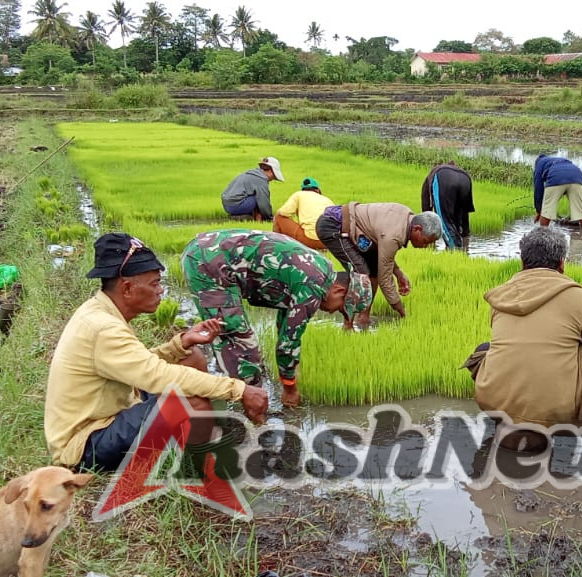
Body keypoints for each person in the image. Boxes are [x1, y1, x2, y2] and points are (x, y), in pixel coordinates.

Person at [44, 233, 269, 476]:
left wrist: (180, 343)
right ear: (127, 288)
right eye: (154, 284)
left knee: (191, 358)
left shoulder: (101, 311)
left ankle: (199, 442)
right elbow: (157, 375)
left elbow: (138, 365)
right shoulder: (103, 328)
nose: (161, 290)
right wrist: (240, 390)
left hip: (111, 413)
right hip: (86, 446)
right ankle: (203, 474)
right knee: (190, 402)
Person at [465, 227, 582, 430]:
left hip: (493, 401)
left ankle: (507, 420)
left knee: (483, 350)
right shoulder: (579, 298)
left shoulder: (501, 297)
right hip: (560, 410)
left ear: (522, 263)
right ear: (562, 264)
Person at [181, 229, 373, 408]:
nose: (333, 312)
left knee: (239, 347)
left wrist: (286, 373)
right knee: (239, 343)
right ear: (339, 290)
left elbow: (285, 322)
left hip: (209, 252)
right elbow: (288, 342)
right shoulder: (312, 286)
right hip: (208, 262)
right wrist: (290, 388)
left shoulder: (323, 270)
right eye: (340, 307)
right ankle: (250, 413)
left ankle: (240, 393)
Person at [314, 202, 442, 330]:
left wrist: (398, 273)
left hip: (353, 229)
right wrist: (402, 311)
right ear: (417, 229)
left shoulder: (406, 217)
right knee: (360, 274)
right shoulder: (394, 235)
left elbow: (384, 256)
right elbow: (385, 279)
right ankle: (348, 325)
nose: (424, 246)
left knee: (373, 269)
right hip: (332, 227)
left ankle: (364, 318)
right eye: (425, 241)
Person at [420, 161, 475, 250]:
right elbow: (465, 215)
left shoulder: (434, 173)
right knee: (460, 218)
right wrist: (465, 234)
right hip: (465, 178)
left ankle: (454, 252)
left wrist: (428, 236)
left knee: (444, 220)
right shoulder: (459, 171)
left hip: (443, 178)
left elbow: (427, 211)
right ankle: (465, 249)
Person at [273, 177, 333, 251]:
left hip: (309, 238)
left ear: (303, 189)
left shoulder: (299, 195)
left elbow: (283, 212)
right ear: (317, 190)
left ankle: (275, 244)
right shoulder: (327, 200)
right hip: (328, 242)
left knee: (279, 216)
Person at [533, 154, 582, 231]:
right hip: (577, 175)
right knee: (581, 214)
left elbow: (538, 188)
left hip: (556, 176)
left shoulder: (539, 164)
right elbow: (570, 181)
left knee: (546, 212)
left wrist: (539, 210)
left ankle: (543, 237)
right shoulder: (561, 160)